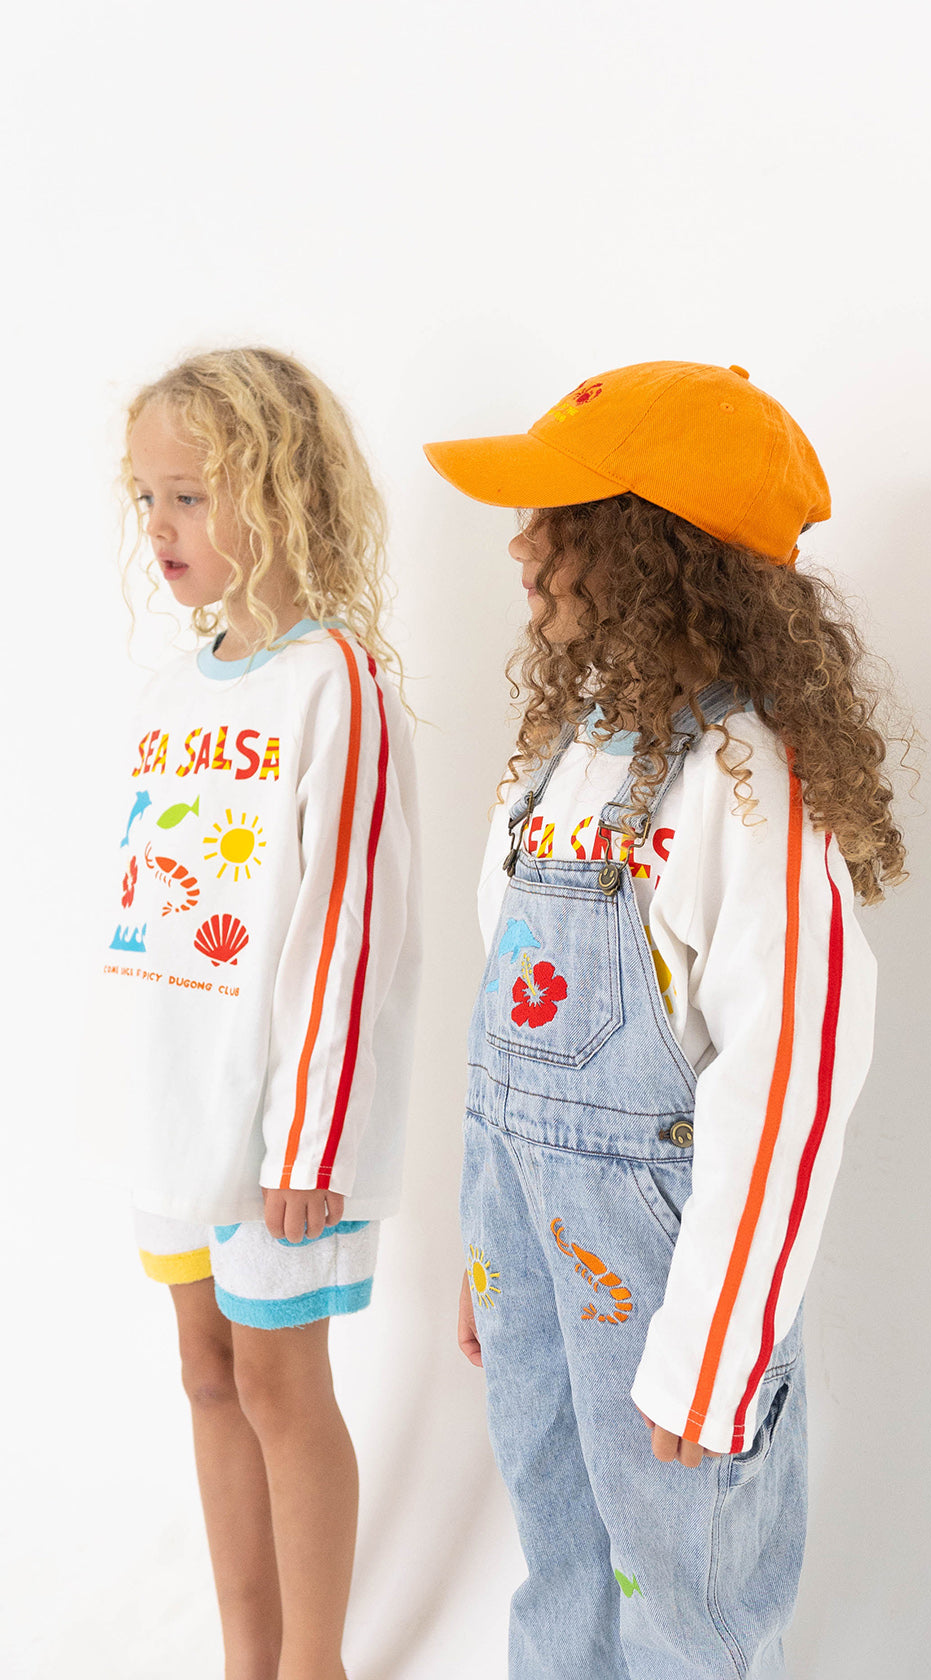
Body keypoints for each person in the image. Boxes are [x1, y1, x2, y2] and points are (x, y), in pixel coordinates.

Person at [423, 361, 901, 1678]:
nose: (521, 548)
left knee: (682, 1596)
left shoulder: (748, 778)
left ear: (647, 548)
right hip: (537, 1255)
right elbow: (503, 1017)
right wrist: (488, 1237)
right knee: (564, 1554)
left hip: (672, 1284)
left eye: (552, 520)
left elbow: (794, 1074)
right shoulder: (560, 752)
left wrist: (719, 1349)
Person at [109, 347, 420, 1680]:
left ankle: (313, 1666)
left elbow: (357, 931)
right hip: (172, 1103)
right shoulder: (179, 682)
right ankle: (245, 1656)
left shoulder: (333, 683)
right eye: (143, 501)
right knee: (204, 1369)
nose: (158, 530)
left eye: (187, 497)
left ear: (280, 494)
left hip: (281, 1121)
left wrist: (313, 1140)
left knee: (282, 1385)